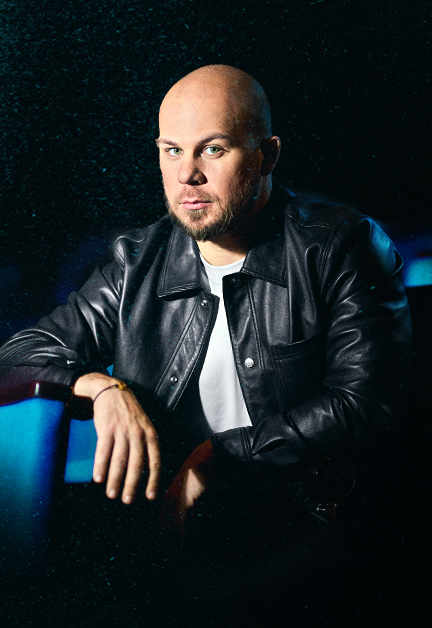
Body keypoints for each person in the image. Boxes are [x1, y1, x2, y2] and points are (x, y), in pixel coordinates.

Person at [0, 65, 411, 625]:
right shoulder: (136, 262)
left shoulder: (341, 245)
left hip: (308, 525)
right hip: (170, 530)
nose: (186, 174)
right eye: (171, 151)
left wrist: (221, 457)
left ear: (267, 156)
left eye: (212, 150)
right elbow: (18, 356)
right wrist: (101, 387)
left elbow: (368, 402)